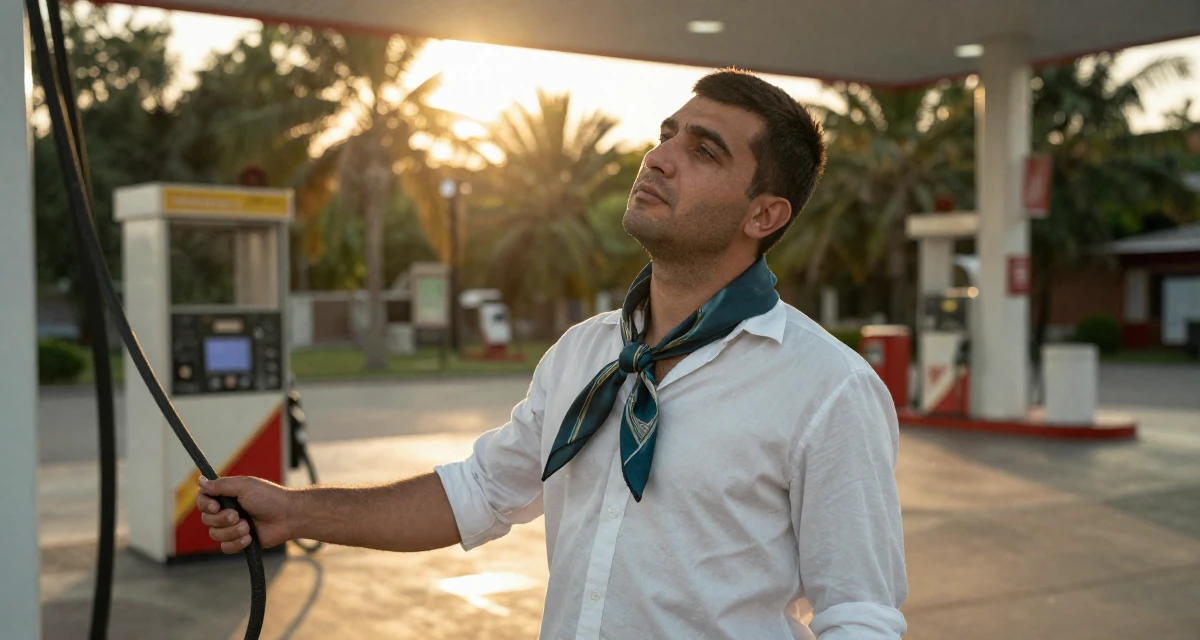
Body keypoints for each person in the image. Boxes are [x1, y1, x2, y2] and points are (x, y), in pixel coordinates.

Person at [198, 69, 908, 639]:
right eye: (667, 135)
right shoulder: (584, 354)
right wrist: (295, 512)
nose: (659, 157)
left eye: (704, 150)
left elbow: (860, 616)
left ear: (764, 215)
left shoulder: (828, 388)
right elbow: (479, 492)